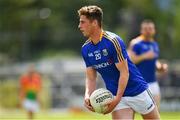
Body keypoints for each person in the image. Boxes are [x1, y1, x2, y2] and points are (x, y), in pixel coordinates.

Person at [78, 5, 160, 120]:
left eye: (83, 22)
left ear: (94, 23)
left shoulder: (113, 41)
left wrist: (116, 99)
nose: (79, 26)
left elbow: (124, 72)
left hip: (137, 91)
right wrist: (88, 95)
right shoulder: (85, 49)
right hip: (115, 95)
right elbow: (91, 77)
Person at [128, 20, 168, 108]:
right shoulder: (136, 43)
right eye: (145, 29)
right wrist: (144, 56)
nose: (148, 31)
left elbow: (154, 61)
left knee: (156, 111)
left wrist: (160, 67)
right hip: (139, 82)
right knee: (134, 111)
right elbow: (130, 61)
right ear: (141, 30)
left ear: (154, 30)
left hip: (153, 82)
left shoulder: (154, 44)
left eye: (150, 28)